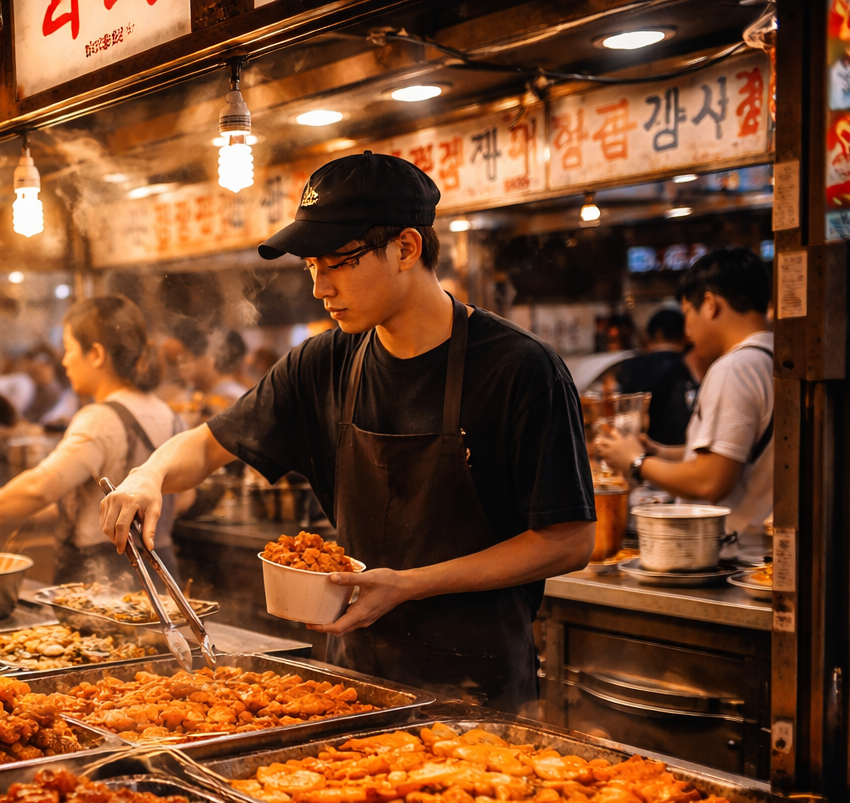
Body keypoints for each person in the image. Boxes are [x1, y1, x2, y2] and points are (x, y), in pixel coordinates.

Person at [100, 153, 596, 711]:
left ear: (406, 248)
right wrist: (149, 476)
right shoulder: (323, 362)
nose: (319, 287)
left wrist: (410, 583)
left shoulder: (520, 368)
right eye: (310, 266)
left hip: (478, 689)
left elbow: (570, 541)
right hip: (351, 681)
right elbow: (208, 445)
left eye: (337, 262)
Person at [0, 296, 186, 583]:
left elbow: (40, 488)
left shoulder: (101, 418)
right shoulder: (169, 414)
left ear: (96, 354)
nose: (65, 361)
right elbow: (184, 497)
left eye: (68, 349)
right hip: (161, 571)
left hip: (106, 578)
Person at [595, 248, 774, 561]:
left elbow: (710, 481)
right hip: (757, 554)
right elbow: (738, 452)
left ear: (710, 304)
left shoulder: (735, 367)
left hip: (730, 556)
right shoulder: (773, 358)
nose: (687, 329)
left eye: (687, 313)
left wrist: (637, 462)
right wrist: (662, 453)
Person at [614, 308, 698, 446]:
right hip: (680, 454)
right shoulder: (689, 365)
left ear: (656, 334)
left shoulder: (632, 365)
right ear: (684, 335)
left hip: (638, 448)